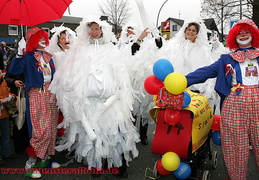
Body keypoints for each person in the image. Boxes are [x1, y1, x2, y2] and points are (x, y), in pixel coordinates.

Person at [49, 14, 139, 178]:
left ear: (102, 30)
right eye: (91, 29)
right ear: (86, 31)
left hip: (111, 102)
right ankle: (96, 166)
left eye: (97, 28)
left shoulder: (111, 49)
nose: (94, 32)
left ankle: (120, 167)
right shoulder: (81, 51)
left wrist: (120, 92)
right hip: (90, 103)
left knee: (116, 133)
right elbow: (72, 73)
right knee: (93, 136)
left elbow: (120, 74)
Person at [185, 19, 259, 180]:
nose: (243, 35)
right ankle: (237, 177)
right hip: (234, 103)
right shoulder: (227, 59)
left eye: (246, 32)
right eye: (239, 33)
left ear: (253, 34)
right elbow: (207, 71)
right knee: (235, 144)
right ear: (233, 36)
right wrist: (184, 80)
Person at [8, 27, 60, 178]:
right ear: (32, 41)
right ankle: (31, 163)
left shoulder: (48, 56)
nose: (44, 40)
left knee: (51, 126)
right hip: (37, 94)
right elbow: (15, 70)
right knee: (39, 128)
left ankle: (46, 158)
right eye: (40, 38)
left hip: (51, 93)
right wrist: (19, 52)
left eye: (45, 37)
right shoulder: (27, 57)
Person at [157, 18, 218, 113]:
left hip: (195, 88)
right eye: (189, 29)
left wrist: (208, 87)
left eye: (194, 30)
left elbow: (208, 66)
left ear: (197, 33)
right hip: (176, 85)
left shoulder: (202, 48)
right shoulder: (173, 45)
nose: (191, 32)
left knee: (190, 114)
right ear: (185, 30)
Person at [0, 70, 17, 166]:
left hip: (4, 112)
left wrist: (12, 97)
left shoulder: (3, 80)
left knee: (6, 134)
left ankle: (6, 153)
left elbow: (7, 91)